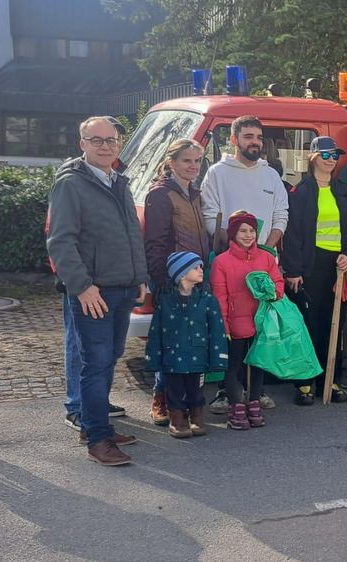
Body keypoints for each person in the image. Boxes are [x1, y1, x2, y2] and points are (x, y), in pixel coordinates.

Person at [47, 116, 149, 466]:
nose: (105, 145)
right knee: (95, 363)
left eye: (111, 139)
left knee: (110, 359)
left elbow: (131, 233)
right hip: (95, 293)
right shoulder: (71, 185)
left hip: (123, 287)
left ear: (119, 143)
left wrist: (139, 277)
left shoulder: (118, 181)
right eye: (97, 140)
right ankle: (97, 440)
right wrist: (83, 287)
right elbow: (60, 241)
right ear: (83, 144)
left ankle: (96, 425)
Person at [283, 136, 347, 405]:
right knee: (309, 324)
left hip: (336, 264)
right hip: (309, 266)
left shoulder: (344, 191)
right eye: (326, 155)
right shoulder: (301, 191)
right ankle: (304, 382)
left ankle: (330, 378)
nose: (331, 160)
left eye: (335, 156)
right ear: (313, 157)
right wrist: (293, 270)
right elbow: (292, 234)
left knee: (334, 323)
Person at [143, 138, 210, 426]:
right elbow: (155, 245)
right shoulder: (160, 195)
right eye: (187, 161)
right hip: (172, 282)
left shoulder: (195, 193)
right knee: (172, 344)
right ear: (172, 163)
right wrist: (163, 283)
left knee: (188, 342)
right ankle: (163, 398)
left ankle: (179, 401)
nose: (193, 166)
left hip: (194, 279)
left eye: (197, 161)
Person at [211, 212, 284, 429]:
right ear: (233, 233)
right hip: (235, 324)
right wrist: (223, 325)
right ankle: (237, 407)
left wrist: (273, 292)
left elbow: (278, 284)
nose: (248, 235)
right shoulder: (221, 262)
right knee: (233, 367)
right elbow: (219, 297)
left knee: (257, 364)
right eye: (243, 230)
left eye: (252, 230)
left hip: (261, 322)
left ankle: (253, 403)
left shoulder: (266, 258)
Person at [143, 252, 228, 437]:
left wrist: (218, 358)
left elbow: (217, 330)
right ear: (181, 273)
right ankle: (177, 420)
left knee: (196, 390)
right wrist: (153, 359)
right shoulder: (165, 301)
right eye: (195, 267)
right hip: (172, 357)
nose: (201, 270)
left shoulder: (207, 300)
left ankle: (196, 417)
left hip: (198, 356)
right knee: (174, 391)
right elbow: (156, 333)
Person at [200, 115, 289, 249]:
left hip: (265, 260)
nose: (255, 142)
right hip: (227, 258)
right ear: (234, 140)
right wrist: (235, 248)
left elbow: (281, 216)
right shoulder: (216, 173)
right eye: (248, 137)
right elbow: (209, 217)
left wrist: (266, 251)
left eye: (259, 138)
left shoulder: (272, 175)